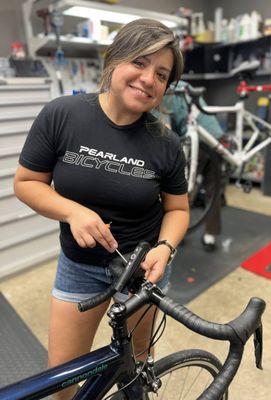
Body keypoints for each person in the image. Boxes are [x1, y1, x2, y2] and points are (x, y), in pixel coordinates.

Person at [14, 18, 189, 400]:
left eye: (162, 74)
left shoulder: (167, 144)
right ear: (115, 60)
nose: (149, 79)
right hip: (79, 266)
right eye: (140, 63)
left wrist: (165, 248)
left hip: (140, 270)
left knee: (137, 365)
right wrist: (72, 211)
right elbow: (26, 183)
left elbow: (177, 209)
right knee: (62, 379)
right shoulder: (63, 114)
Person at [161, 80, 224, 251]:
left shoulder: (164, 91)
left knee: (183, 188)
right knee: (213, 189)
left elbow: (165, 131)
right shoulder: (184, 84)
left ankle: (178, 233)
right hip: (216, 137)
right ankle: (210, 237)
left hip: (196, 141)